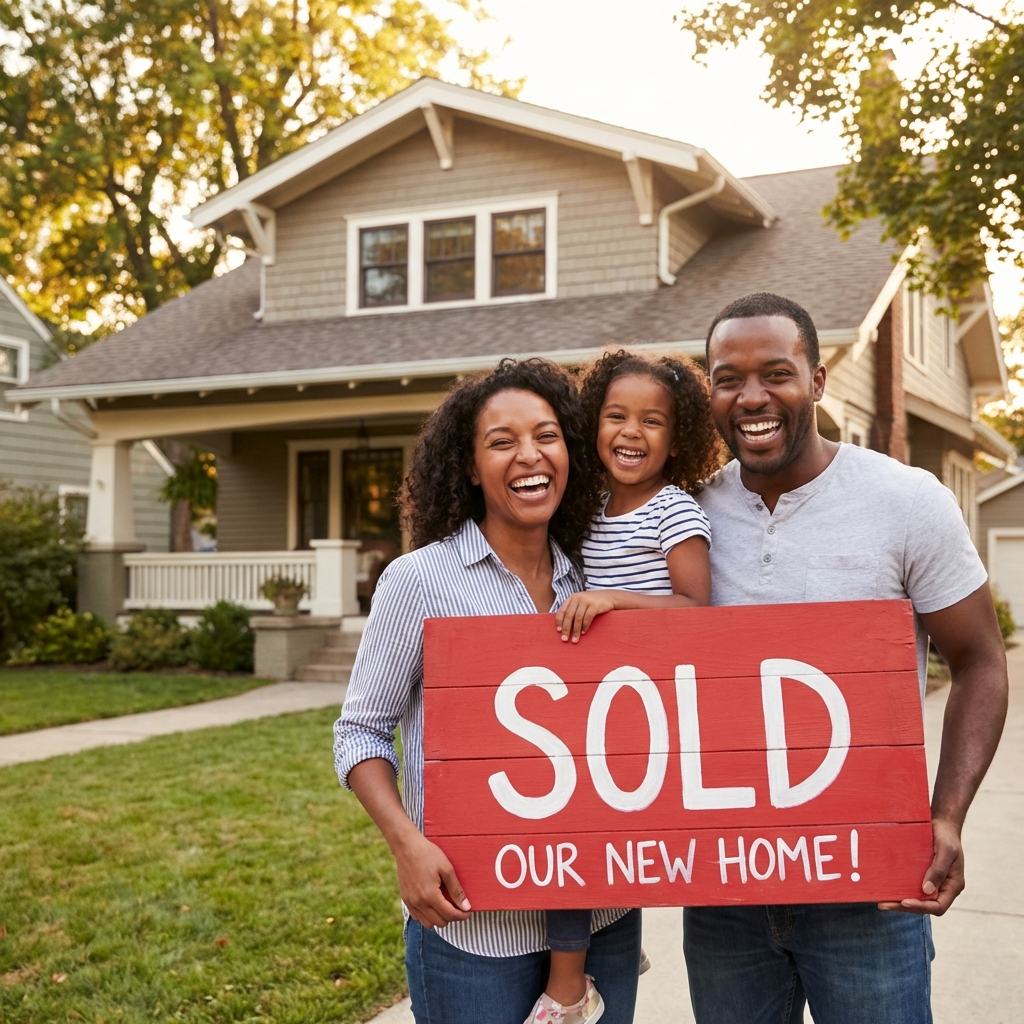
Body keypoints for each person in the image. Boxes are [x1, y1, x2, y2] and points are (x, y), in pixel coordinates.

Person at [686, 292, 1009, 1024]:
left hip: (869, 888)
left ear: (819, 381)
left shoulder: (907, 499)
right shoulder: (685, 512)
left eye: (776, 372)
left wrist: (947, 817)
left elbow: (981, 660)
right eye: (728, 378)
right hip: (724, 889)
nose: (752, 397)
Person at [333, 358, 642, 1024]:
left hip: (604, 918)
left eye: (547, 435)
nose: (529, 456)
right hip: (474, 926)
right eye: (502, 442)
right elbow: (359, 732)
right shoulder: (419, 581)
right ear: (470, 467)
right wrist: (406, 845)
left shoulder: (595, 578)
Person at [524, 349, 721, 1024]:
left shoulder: (673, 509)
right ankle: (605, 947)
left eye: (653, 421)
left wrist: (613, 601)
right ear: (592, 423)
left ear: (680, 437)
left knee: (583, 829)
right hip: (587, 700)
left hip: (649, 705)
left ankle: (570, 987)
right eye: (615, 416)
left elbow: (698, 611)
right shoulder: (587, 509)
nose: (631, 432)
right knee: (578, 833)